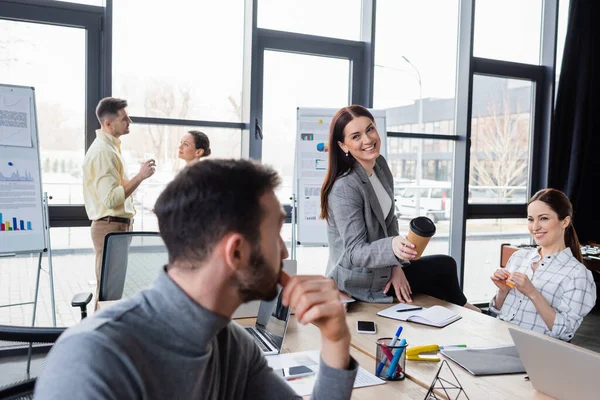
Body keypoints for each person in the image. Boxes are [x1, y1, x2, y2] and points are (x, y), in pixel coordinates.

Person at [35, 159, 358, 399]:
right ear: (236, 252)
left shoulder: (231, 345)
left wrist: (335, 340)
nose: (284, 251)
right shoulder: (93, 359)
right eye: (276, 234)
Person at [321, 104, 478, 311]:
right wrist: (393, 248)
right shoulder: (345, 187)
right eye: (356, 136)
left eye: (370, 129)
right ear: (343, 146)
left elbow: (389, 221)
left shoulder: (380, 166)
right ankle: (472, 314)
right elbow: (355, 253)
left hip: (383, 267)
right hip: (357, 279)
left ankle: (467, 314)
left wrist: (396, 265)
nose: (368, 140)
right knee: (442, 271)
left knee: (444, 270)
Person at [489, 188, 596, 341]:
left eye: (544, 218)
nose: (535, 227)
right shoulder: (519, 257)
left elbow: (564, 332)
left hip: (533, 352)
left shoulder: (577, 274)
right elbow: (496, 311)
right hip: (497, 339)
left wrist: (532, 293)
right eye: (531, 219)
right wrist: (503, 291)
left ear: (564, 221)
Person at [83, 97, 155, 291]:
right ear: (108, 123)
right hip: (110, 227)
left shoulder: (112, 149)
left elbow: (116, 189)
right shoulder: (103, 152)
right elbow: (111, 199)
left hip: (116, 227)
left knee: (112, 291)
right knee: (109, 293)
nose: (129, 121)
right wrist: (140, 177)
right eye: (124, 118)